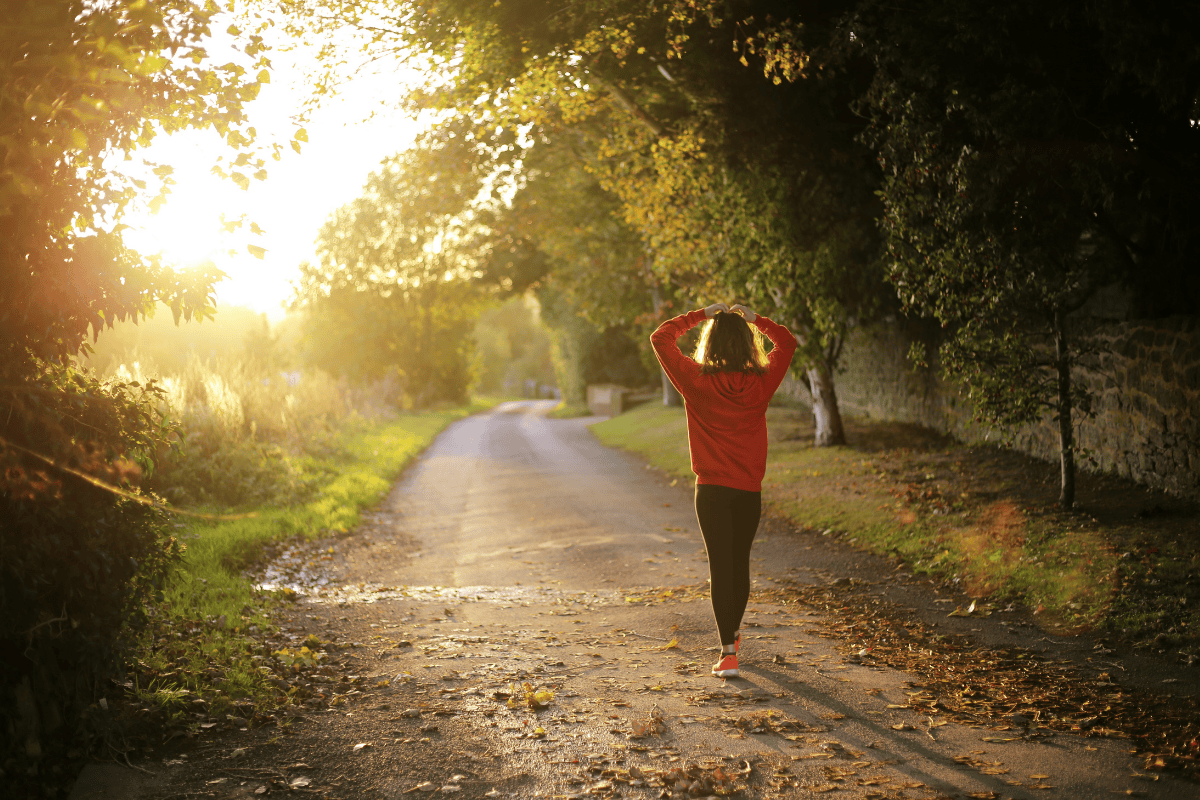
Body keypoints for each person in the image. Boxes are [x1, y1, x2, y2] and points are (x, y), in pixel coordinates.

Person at [650, 302, 797, 678]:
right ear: (748, 344)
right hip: (748, 490)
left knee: (721, 566)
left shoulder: (695, 379)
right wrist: (756, 320)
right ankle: (732, 635)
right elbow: (788, 342)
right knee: (739, 564)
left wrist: (700, 314)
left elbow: (660, 337)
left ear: (710, 343)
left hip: (711, 491)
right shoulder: (762, 382)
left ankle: (728, 651)